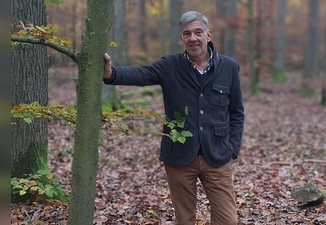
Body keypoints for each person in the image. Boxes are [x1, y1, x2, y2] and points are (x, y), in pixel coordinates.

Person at [102, 11, 244, 225]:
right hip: (179, 155)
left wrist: (233, 148)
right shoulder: (170, 65)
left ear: (208, 35)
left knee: (228, 220)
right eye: (187, 34)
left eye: (198, 32)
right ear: (182, 39)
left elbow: (236, 112)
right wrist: (111, 74)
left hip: (218, 155)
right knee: (184, 220)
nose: (193, 38)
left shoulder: (229, 67)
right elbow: (142, 74)